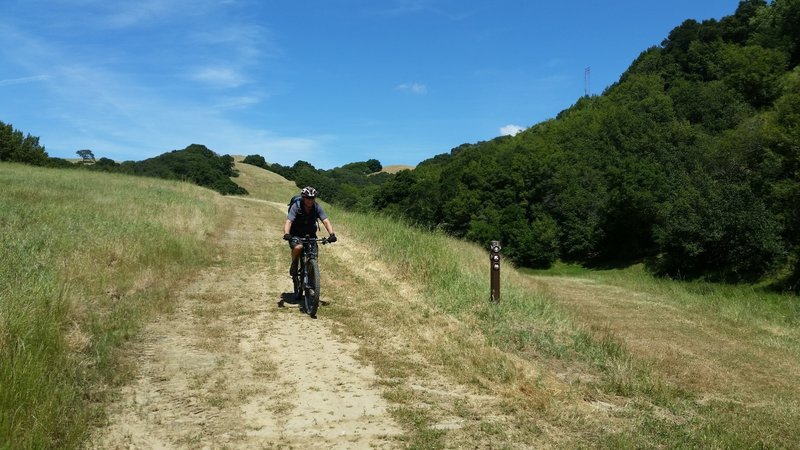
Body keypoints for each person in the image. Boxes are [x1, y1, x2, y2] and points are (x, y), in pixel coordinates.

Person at [283, 186, 337, 279]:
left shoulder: (316, 207)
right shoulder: (296, 206)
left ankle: (312, 279)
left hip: (310, 233)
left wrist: (332, 234)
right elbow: (289, 221)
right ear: (303, 198)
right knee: (298, 247)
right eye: (308, 198)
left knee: (314, 255)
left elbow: (325, 221)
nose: (310, 200)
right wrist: (287, 234)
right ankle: (294, 264)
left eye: (312, 198)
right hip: (296, 233)